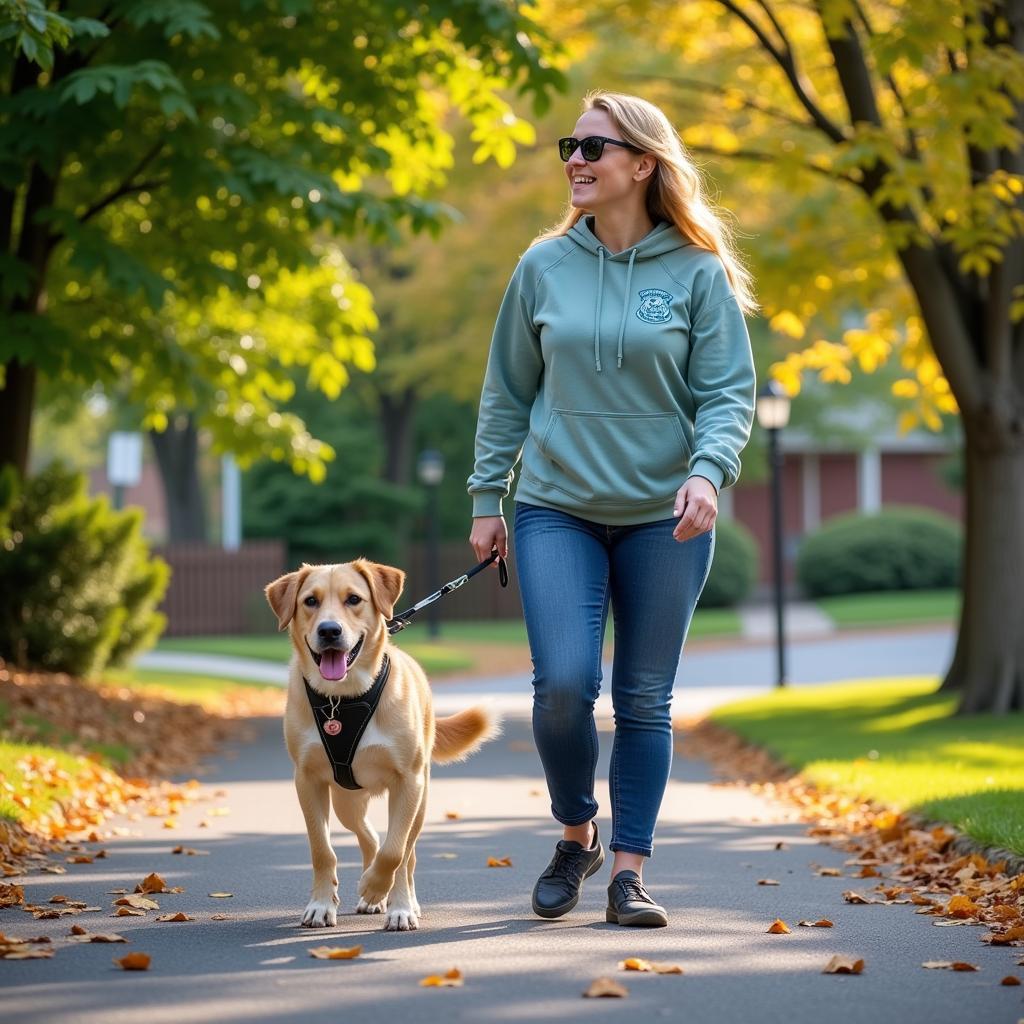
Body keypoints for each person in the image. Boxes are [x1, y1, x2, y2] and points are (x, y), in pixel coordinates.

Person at [467, 91, 757, 928]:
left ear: (643, 164)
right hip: (556, 507)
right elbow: (504, 394)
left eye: (594, 147)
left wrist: (708, 473)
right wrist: (490, 498)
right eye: (571, 145)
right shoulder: (542, 267)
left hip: (666, 518)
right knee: (562, 686)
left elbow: (728, 395)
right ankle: (576, 832)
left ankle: (630, 872)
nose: (575, 160)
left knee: (643, 698)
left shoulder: (697, 273)